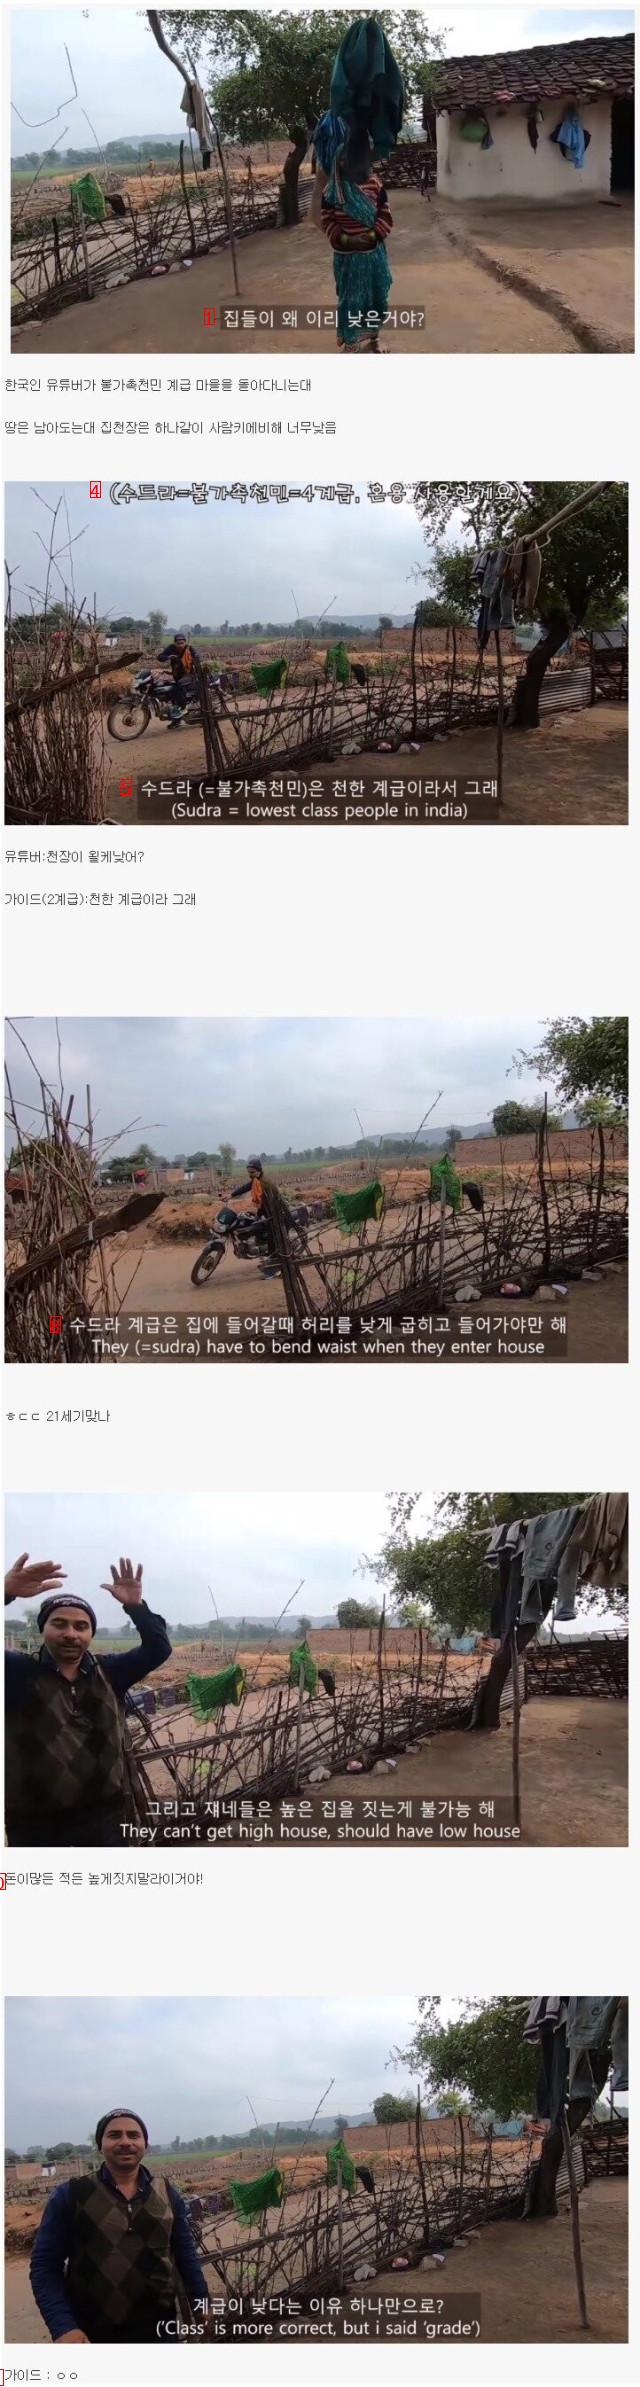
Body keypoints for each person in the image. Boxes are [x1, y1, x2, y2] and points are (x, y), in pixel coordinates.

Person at [5, 1554, 172, 1846]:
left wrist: (135, 1607)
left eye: (81, 1626)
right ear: (42, 1629)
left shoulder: (110, 1673)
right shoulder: (18, 1674)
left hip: (105, 1818)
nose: (71, 1633)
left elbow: (158, 1648)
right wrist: (5, 1592)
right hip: (34, 1825)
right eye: (59, 1623)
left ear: (91, 1633)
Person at [29, 2109, 209, 2344]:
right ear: (100, 2145)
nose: (125, 2141)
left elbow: (185, 2254)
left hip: (160, 2329)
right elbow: (44, 2266)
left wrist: (202, 2302)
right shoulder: (71, 2195)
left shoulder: (166, 2192)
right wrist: (63, 2326)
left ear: (146, 2144)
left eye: (134, 2135)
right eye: (114, 2135)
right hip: (91, 2334)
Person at [316, 122, 393, 353]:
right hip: (347, 258)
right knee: (351, 302)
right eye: (342, 160)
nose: (345, 163)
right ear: (338, 162)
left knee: (376, 297)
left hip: (373, 255)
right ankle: (351, 344)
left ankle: (374, 340)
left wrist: (370, 235)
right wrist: (348, 240)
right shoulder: (332, 191)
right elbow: (327, 220)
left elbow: (385, 216)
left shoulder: (375, 184)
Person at [157, 632, 198, 725]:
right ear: (175, 643)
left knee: (179, 685)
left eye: (182, 643)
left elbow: (197, 656)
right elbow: (160, 657)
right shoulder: (171, 648)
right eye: (178, 643)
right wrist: (168, 656)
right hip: (177, 675)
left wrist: (194, 659)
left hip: (190, 674)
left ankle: (183, 707)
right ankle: (176, 720)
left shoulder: (190, 649)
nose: (180, 645)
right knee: (172, 694)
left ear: (185, 642)